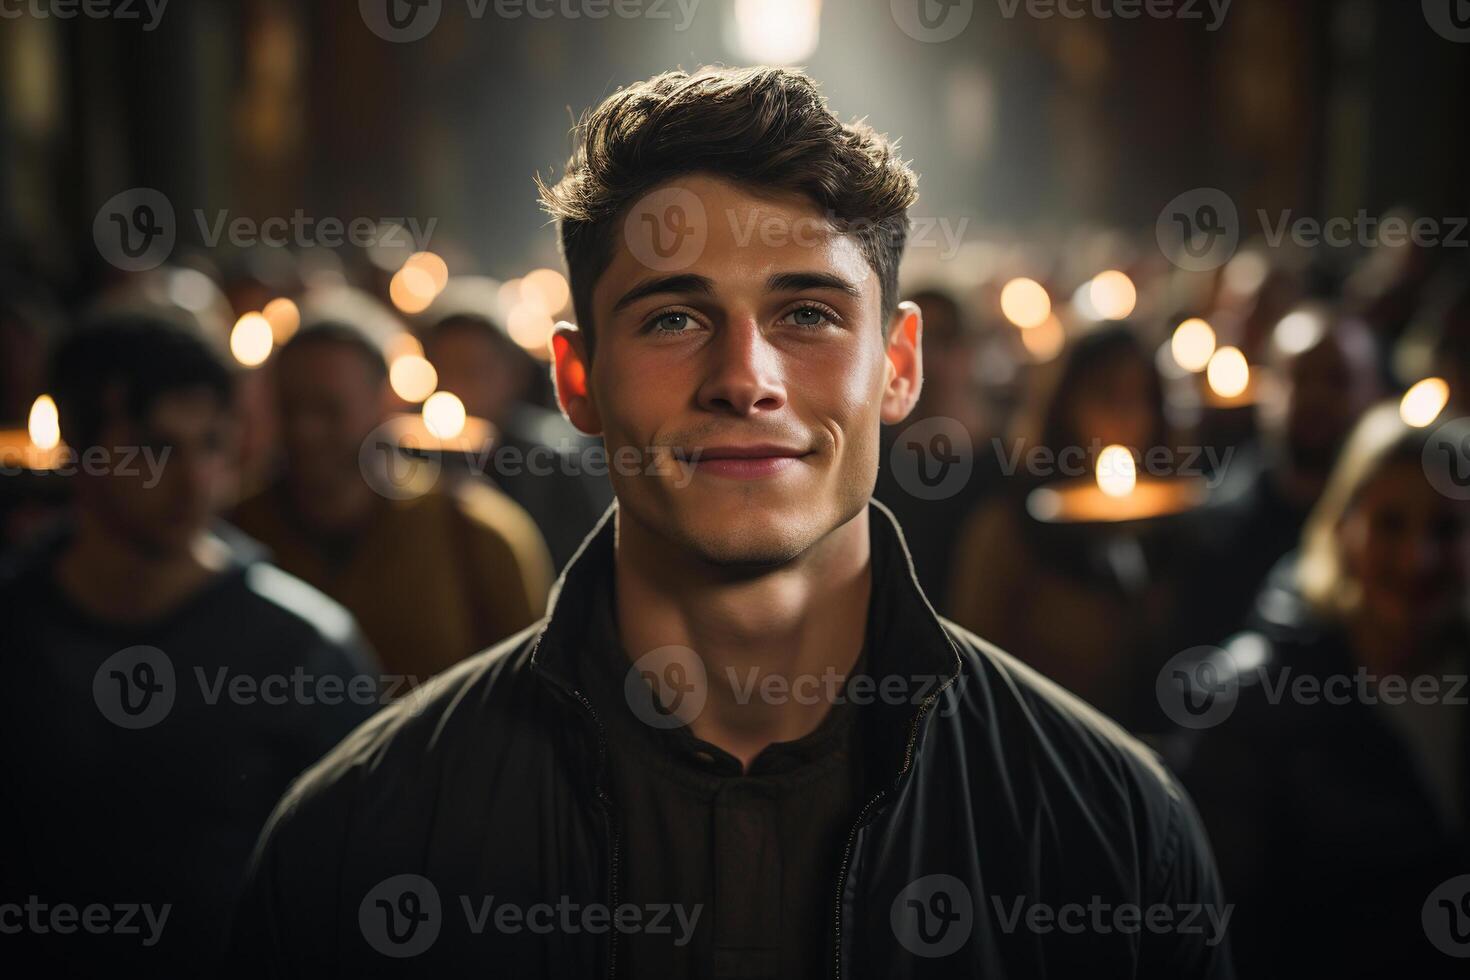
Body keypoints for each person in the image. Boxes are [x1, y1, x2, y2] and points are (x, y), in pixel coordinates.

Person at [229, 66, 1232, 978]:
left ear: (899, 364)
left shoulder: (1110, 827)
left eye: (807, 314)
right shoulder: (360, 831)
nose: (744, 378)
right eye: (673, 317)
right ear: (578, 379)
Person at [0, 312, 380, 972]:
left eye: (210, 444)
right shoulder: (17, 628)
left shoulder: (302, 648)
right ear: (81, 446)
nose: (195, 480)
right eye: (155, 448)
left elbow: (363, 885)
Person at [1179, 404, 1470, 978]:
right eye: (1390, 524)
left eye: (1446, 529)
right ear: (1343, 527)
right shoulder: (1256, 699)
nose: (1418, 558)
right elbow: (1214, 924)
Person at [231, 307, 554, 679]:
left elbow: (532, 687)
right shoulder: (238, 528)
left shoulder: (476, 532)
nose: (305, 430)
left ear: (385, 403)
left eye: (328, 409)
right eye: (291, 407)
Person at [947, 323, 1181, 726]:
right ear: (1066, 403)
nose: (1126, 417)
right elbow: (971, 670)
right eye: (1107, 395)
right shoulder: (1007, 529)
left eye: (1140, 397)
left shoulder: (1169, 528)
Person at [1169, 302, 1383, 649]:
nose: (1315, 397)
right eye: (1299, 377)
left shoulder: (1394, 529)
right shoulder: (1215, 528)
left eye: (1336, 380)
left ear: (1374, 393)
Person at [421, 302, 612, 569]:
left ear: (512, 375)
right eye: (441, 371)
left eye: (471, 371)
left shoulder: (553, 459)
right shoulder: (413, 458)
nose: (453, 388)